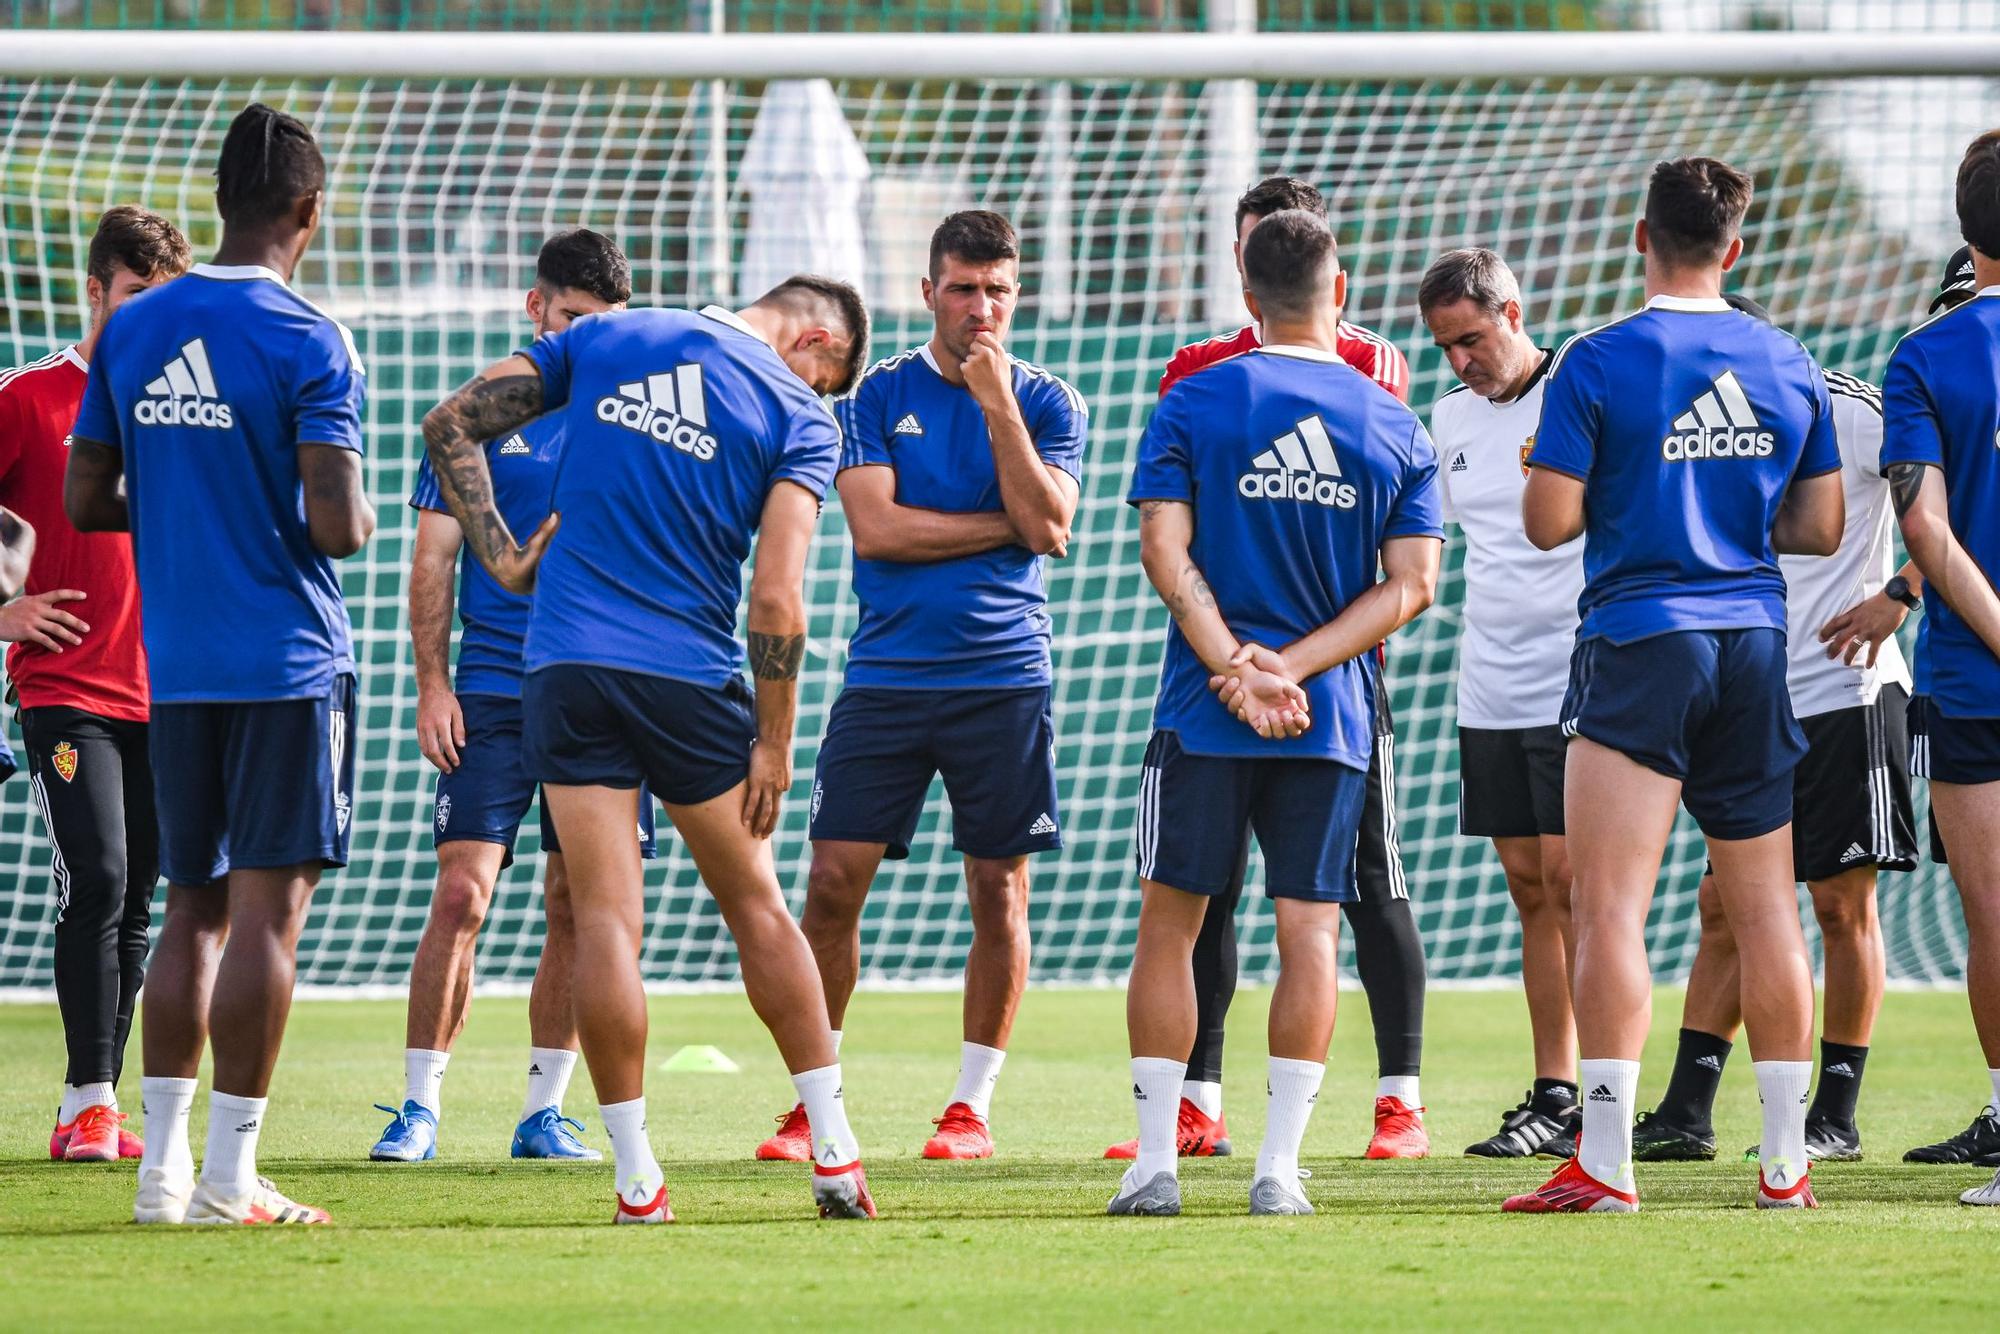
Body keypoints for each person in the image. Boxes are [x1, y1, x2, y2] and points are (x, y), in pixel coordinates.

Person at [420, 275, 877, 1224]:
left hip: (563, 671)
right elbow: (778, 601)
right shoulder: (800, 412)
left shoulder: (609, 337)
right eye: (833, 382)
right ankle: (834, 1155)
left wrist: (505, 558)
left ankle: (636, 1181)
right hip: (686, 677)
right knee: (757, 910)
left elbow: (449, 422)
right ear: (819, 343)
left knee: (604, 924)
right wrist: (777, 743)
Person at [1503, 156, 1845, 1214]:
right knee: (1767, 913)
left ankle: (1603, 1162)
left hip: (1640, 638)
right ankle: (1783, 1165)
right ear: (1732, 249)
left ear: (1636, 233)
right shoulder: (1786, 359)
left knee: (1607, 908)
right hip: (1750, 641)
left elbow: (1547, 522)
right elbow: (1818, 527)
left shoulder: (1598, 359)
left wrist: (1582, 472)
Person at [68, 103, 376, 1225]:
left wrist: (189, 497)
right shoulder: (309, 337)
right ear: (308, 209)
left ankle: (160, 1174)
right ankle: (233, 1174)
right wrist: (350, 508)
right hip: (286, 662)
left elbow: (84, 496)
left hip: (176, 663)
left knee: (187, 906)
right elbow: (338, 525)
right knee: (265, 919)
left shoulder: (135, 330)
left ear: (216, 204)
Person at [1111, 210, 1442, 1217]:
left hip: (1202, 710)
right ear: (1335, 295)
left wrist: (1235, 666)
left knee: (1167, 928)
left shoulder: (1192, 399)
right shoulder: (1392, 420)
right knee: (1310, 933)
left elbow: (1163, 554)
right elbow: (1411, 587)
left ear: (1246, 294)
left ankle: (1153, 1166)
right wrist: (1287, 669)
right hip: (1328, 718)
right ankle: (1277, 1169)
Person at [751, 211, 1084, 1164]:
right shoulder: (873, 392)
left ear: (1016, 297)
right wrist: (1006, 524)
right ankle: (815, 1102)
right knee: (829, 885)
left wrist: (999, 411)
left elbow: (1052, 529)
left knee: (999, 893)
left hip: (1004, 678)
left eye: (999, 292)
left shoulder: (1048, 402)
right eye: (964, 289)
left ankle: (970, 1108)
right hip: (886, 680)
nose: (982, 309)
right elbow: (878, 532)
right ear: (928, 290)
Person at [370, 229, 657, 1165]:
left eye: (602, 327)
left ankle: (545, 1111)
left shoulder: (638, 422)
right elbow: (434, 557)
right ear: (536, 312)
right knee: (463, 894)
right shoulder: (480, 414)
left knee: (580, 903)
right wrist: (430, 685)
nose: (584, 342)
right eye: (571, 320)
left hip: (601, 694)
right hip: (492, 691)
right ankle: (418, 1108)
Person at [1632, 294, 1918, 1165]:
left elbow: (1965, 513)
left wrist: (1899, 596)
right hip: (1751, 692)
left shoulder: (1850, 407)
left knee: (1841, 905)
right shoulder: (1693, 419)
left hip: (1847, 694)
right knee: (1723, 906)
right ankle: (1686, 1112)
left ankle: (1834, 1115)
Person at [0, 206, 188, 1163]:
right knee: (101, 877)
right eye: (130, 299)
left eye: (162, 303)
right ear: (94, 291)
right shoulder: (27, 398)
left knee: (143, 897)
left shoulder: (178, 408)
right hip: (65, 692)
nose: (145, 319)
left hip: (169, 693)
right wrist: (3, 614)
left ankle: (94, 1106)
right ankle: (88, 1097)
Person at [1419, 248, 1585, 1159]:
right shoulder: (1446, 418)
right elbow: (1434, 553)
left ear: (1513, 312)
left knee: (1575, 884)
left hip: (1576, 678)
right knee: (1529, 889)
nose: (1460, 362)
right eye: (1445, 346)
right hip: (1489, 682)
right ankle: (1554, 1088)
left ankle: (1595, 1090)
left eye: (1472, 339)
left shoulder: (1580, 388)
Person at [1879, 130, 2000, 1205]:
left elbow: (1923, 531)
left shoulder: (1925, 354)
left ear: (1966, 234)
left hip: (1972, 677)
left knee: (1993, 912)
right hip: (1968, 680)